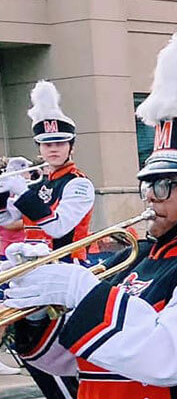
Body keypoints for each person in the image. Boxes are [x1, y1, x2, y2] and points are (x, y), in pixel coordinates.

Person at [5, 27, 177, 396]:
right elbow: (73, 361)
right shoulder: (143, 255)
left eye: (165, 186)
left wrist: (80, 288)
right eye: (148, 185)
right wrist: (39, 308)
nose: (150, 197)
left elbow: (166, 356)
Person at [0, 80, 93, 399]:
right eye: (46, 143)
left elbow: (57, 227)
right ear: (38, 147)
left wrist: (21, 190)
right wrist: (4, 193)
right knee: (36, 360)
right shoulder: (41, 184)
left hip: (67, 279)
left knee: (63, 365)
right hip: (33, 279)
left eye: (60, 142)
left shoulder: (80, 185)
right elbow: (10, 222)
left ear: (71, 145)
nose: (53, 149)